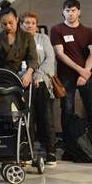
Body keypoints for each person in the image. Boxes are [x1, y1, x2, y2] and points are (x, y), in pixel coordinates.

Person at [50, 0, 92, 141]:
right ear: (63, 12)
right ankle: (69, 144)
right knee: (68, 109)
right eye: (67, 10)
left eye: (73, 10)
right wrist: (81, 70)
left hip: (87, 75)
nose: (70, 13)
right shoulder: (57, 29)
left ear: (79, 12)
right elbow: (60, 54)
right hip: (66, 76)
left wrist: (85, 72)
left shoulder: (89, 32)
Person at [21, 11, 57, 166]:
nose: (30, 26)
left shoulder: (44, 38)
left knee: (46, 118)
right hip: (24, 83)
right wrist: (26, 77)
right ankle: (27, 153)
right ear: (21, 24)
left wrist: (37, 76)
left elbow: (50, 59)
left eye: (33, 23)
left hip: (42, 84)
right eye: (27, 23)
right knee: (28, 120)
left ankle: (50, 152)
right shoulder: (18, 41)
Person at [0, 1, 38, 88]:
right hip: (3, 77)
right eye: (4, 24)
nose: (8, 26)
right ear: (0, 24)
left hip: (22, 76)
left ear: (17, 19)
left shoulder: (27, 37)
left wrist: (28, 74)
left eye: (11, 22)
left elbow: (33, 59)